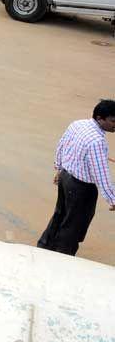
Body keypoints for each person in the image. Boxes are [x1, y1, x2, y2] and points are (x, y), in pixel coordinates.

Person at [37, 100, 115, 256]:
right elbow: (101, 174)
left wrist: (59, 168)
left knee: (60, 214)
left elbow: (62, 145)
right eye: (113, 121)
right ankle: (63, 257)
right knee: (74, 224)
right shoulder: (97, 142)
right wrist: (113, 199)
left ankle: (44, 246)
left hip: (66, 178)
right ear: (100, 118)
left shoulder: (77, 124)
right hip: (81, 188)